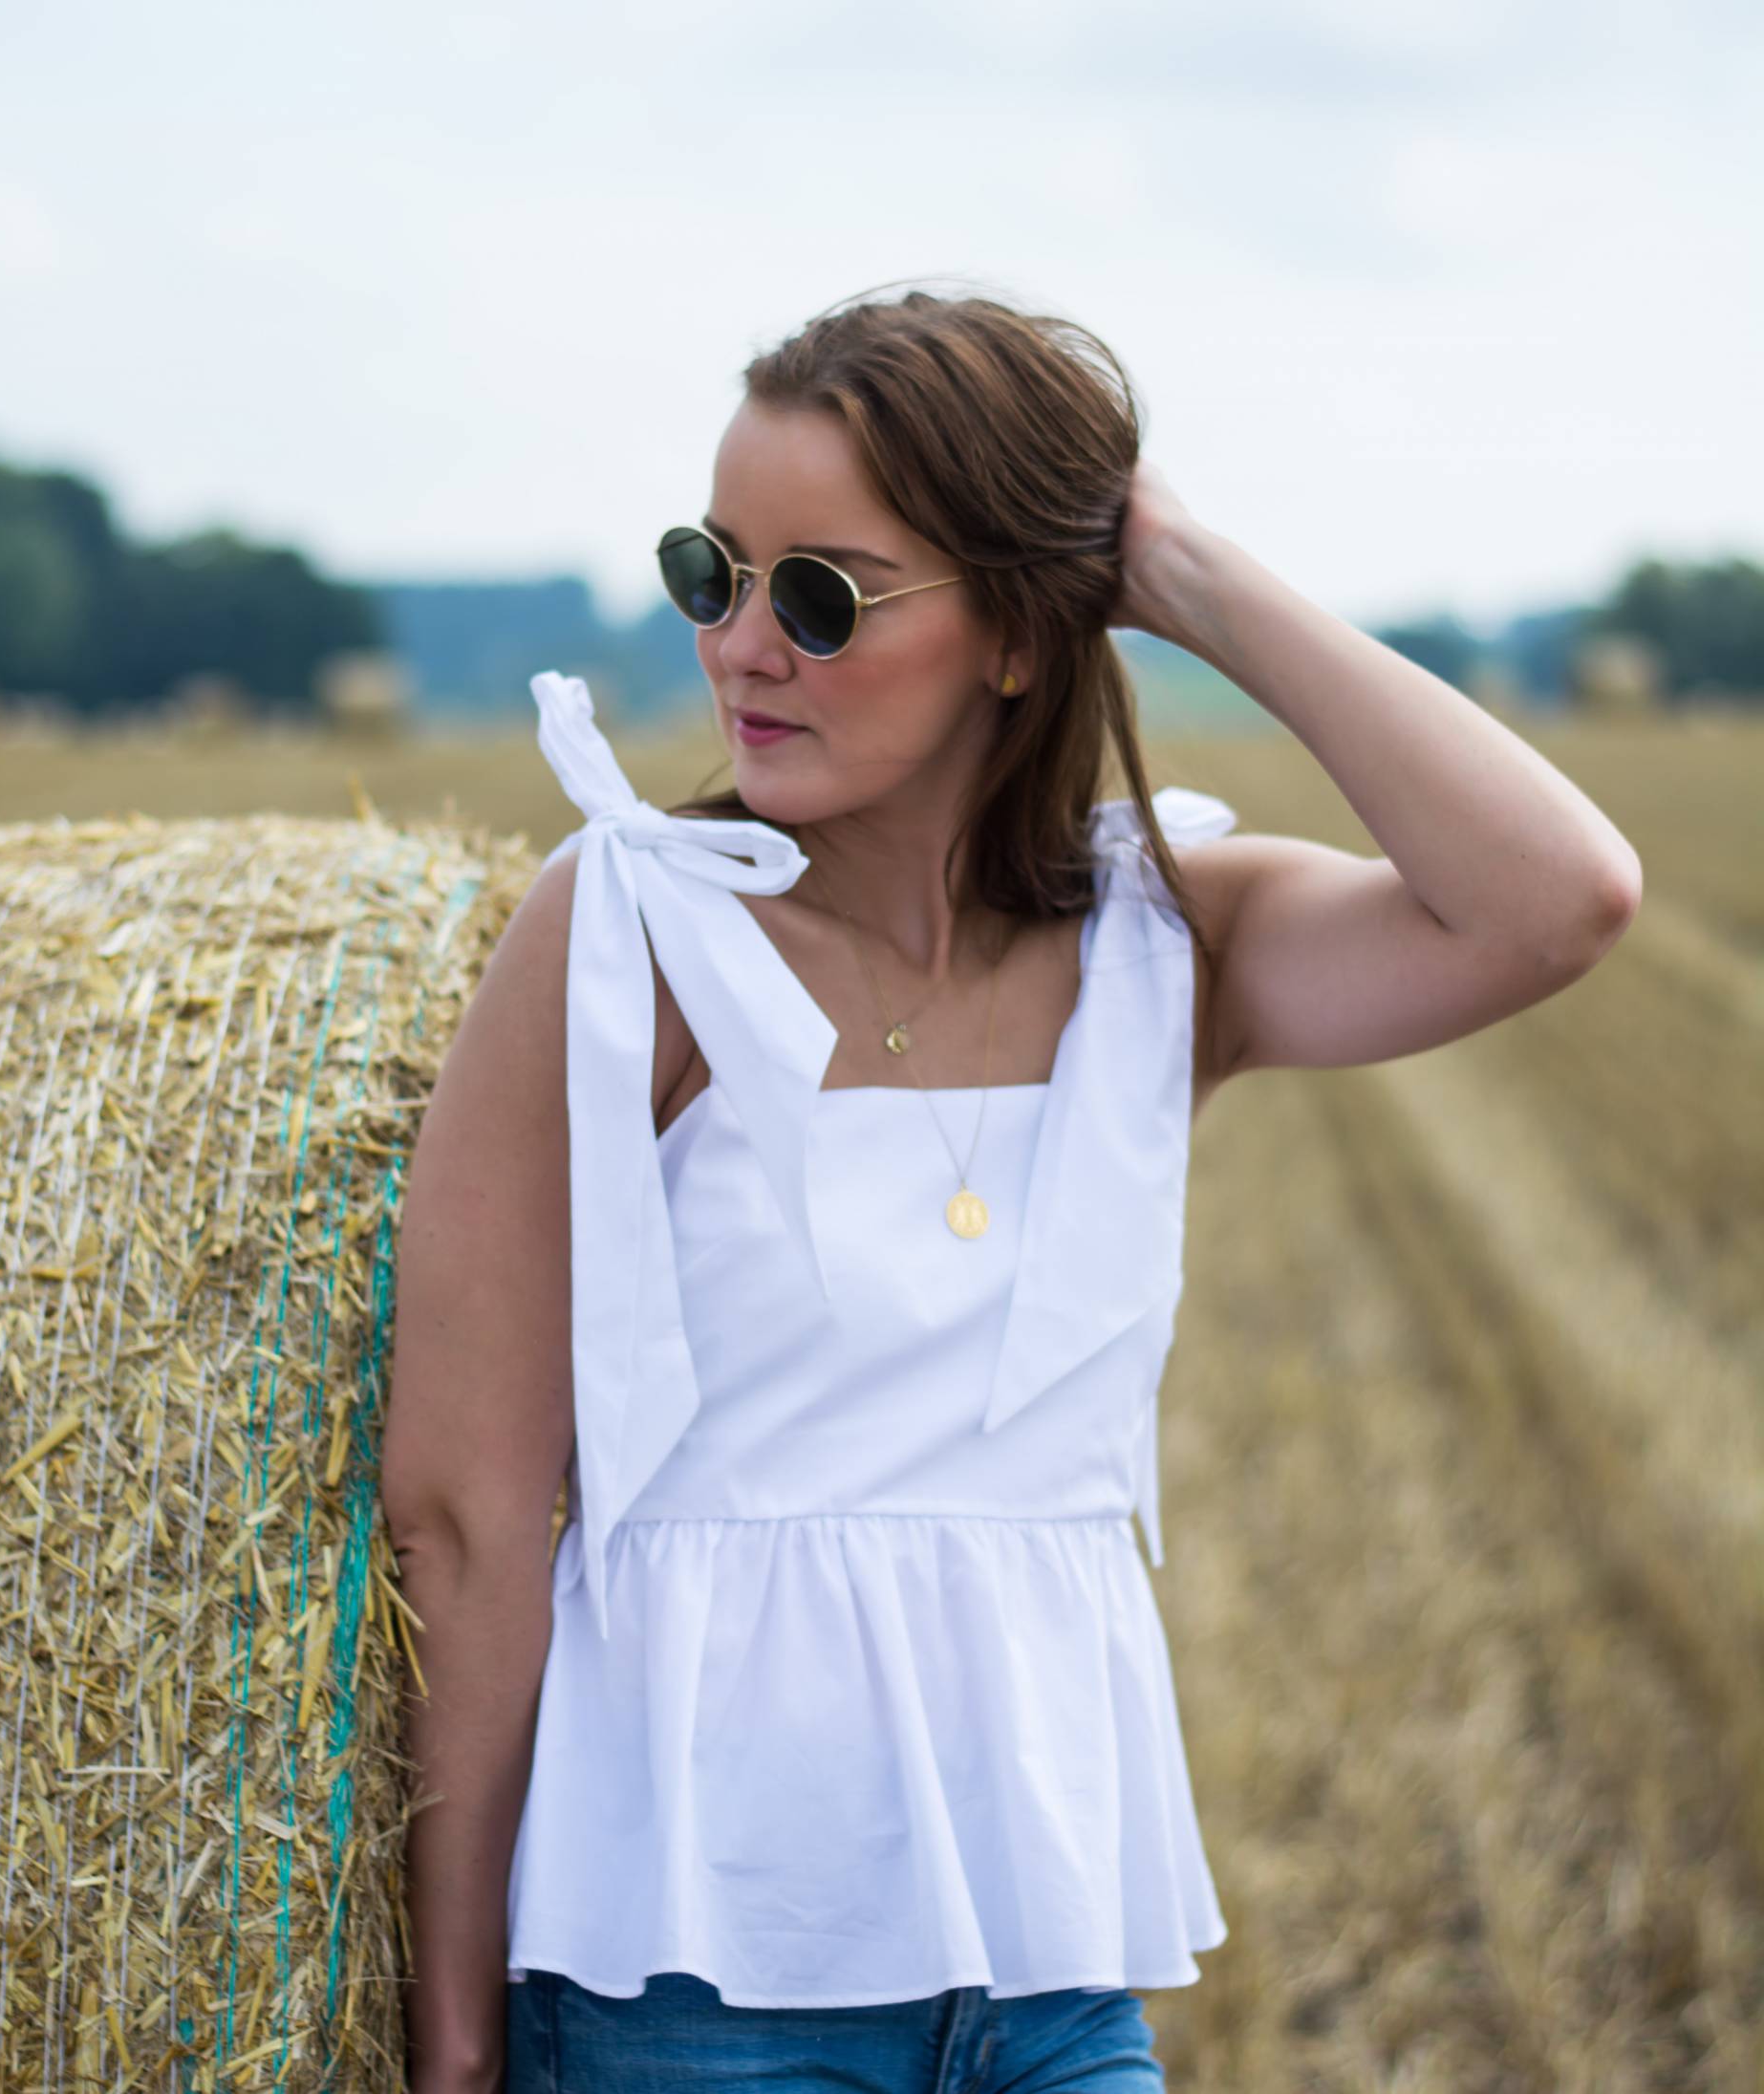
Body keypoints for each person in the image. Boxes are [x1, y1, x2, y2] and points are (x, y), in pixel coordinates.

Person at [380, 286, 1643, 2093]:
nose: (744, 646)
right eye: (709, 570)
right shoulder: (629, 938)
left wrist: (1187, 573)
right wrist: (453, 2040)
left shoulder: (1164, 944)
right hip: (694, 1987)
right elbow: (467, 1518)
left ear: (1023, 639)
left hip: (1049, 1972)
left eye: (822, 596)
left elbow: (1561, 900)